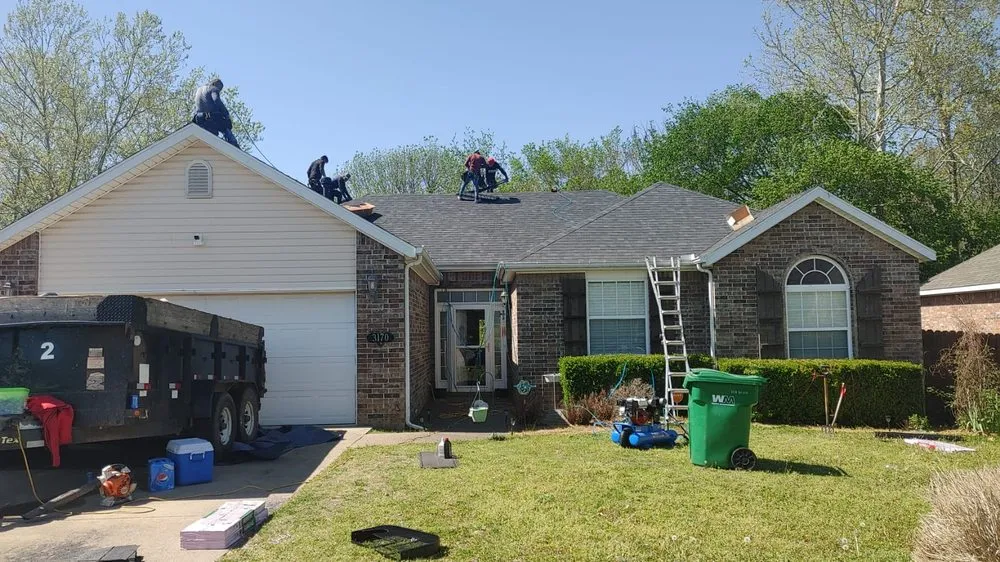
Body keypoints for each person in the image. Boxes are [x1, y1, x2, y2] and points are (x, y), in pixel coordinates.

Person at [191, 78, 240, 148]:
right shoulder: (213, 88)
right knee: (226, 126)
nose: (219, 91)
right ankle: (234, 144)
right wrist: (226, 114)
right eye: (219, 88)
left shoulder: (199, 89)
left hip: (199, 118)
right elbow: (216, 100)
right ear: (215, 84)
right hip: (211, 117)